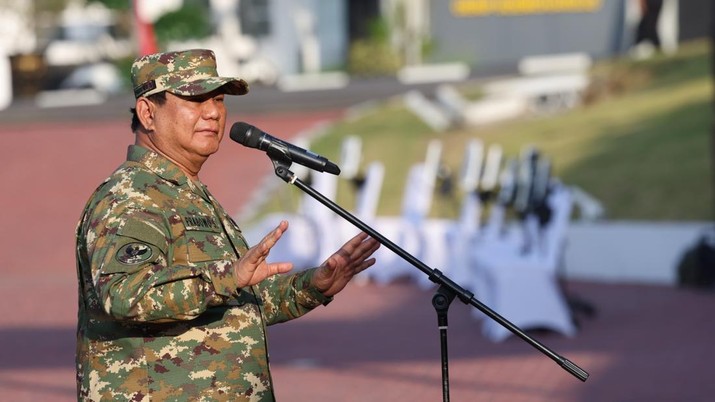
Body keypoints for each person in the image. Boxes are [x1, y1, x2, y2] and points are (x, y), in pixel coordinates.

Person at [75, 48, 380, 401]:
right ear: (148, 112)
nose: (213, 113)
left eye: (218, 99)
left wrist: (314, 285)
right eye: (195, 100)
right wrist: (227, 277)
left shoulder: (185, 193)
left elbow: (233, 304)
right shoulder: (131, 197)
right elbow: (126, 294)